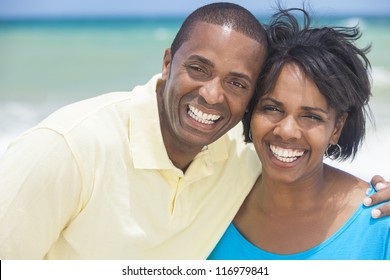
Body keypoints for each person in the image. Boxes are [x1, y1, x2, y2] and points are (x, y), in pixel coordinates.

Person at [0, 2, 388, 260]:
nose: (212, 95)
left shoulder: (238, 159)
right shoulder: (68, 148)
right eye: (198, 69)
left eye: (237, 83)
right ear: (168, 62)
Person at [208, 8, 390, 260]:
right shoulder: (208, 210)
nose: (287, 131)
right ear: (251, 111)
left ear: (336, 128)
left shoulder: (379, 224)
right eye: (271, 108)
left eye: (311, 116)